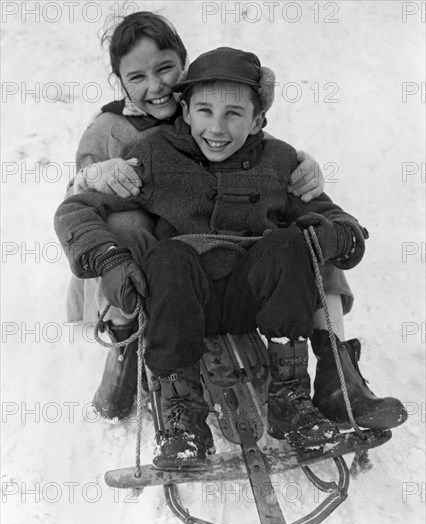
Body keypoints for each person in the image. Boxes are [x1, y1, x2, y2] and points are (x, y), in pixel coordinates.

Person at [55, 47, 407, 469]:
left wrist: (337, 235)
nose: (217, 128)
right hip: (186, 302)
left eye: (234, 114)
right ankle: (182, 417)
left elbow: (335, 217)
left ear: (258, 121)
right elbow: (75, 211)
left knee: (288, 243)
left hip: (252, 301)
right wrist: (109, 259)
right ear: (185, 112)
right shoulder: (153, 154)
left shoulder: (277, 161)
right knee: (168, 256)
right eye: (205, 111)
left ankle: (289, 400)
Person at [65, 11, 349, 422]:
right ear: (121, 82)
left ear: (183, 64)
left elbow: (251, 140)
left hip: (223, 260)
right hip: (147, 258)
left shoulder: (201, 101)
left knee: (299, 236)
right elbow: (76, 203)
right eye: (137, 78)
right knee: (129, 226)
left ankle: (337, 367)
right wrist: (93, 179)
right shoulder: (109, 129)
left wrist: (299, 168)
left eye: (165, 69)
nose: (156, 85)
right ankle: (130, 338)